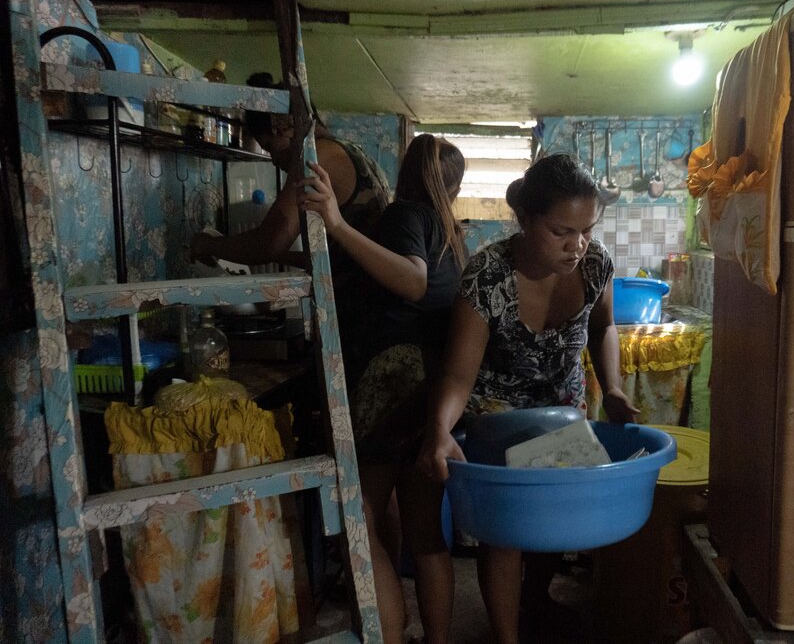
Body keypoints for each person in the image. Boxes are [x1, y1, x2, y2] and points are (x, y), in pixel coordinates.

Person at [417, 153, 639, 643]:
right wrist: (438, 430)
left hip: (562, 404)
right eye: (561, 231)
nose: (577, 245)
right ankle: (507, 636)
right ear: (526, 219)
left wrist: (615, 387)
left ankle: (534, 601)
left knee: (555, 518)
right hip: (499, 414)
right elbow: (458, 373)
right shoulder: (487, 275)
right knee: (510, 531)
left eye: (586, 229)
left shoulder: (597, 262)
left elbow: (604, 328)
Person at [299, 133, 467, 644]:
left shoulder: (405, 216)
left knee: (363, 517)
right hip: (431, 391)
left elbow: (412, 282)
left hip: (388, 385)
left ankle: (388, 635)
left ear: (405, 171)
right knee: (427, 537)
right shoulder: (454, 235)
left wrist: (337, 223)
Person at [190, 72, 391, 382]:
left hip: (362, 321)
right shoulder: (350, 150)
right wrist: (284, 259)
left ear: (283, 127)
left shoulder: (315, 158)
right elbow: (340, 254)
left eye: (270, 147)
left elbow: (267, 244)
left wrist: (208, 245)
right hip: (375, 313)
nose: (273, 160)